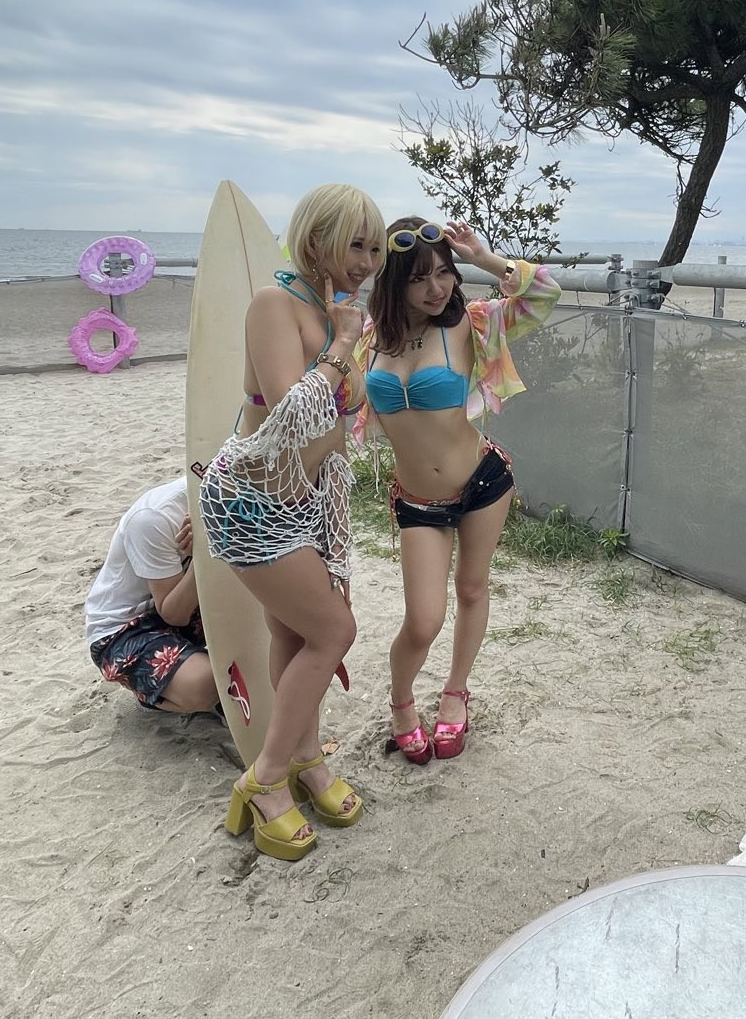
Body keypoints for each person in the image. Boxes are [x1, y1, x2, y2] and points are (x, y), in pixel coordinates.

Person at [198, 183, 384, 860]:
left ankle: (307, 757)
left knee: (295, 632)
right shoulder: (273, 305)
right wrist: (343, 343)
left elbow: (346, 412)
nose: (367, 262)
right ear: (315, 240)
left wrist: (350, 341)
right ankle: (266, 777)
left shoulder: (336, 310)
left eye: (374, 249)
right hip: (249, 502)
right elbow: (288, 412)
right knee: (335, 631)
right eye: (355, 245)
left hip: (306, 500)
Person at [353, 219, 559, 763]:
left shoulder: (472, 323)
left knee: (472, 589)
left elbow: (544, 295)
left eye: (444, 273)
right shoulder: (367, 337)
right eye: (419, 278)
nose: (436, 288)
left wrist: (484, 258)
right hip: (420, 501)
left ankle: (455, 691)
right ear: (393, 281)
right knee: (423, 620)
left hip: (483, 481)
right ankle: (401, 703)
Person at [85, 476, 217, 714]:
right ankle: (155, 694)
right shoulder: (155, 517)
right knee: (205, 684)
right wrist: (203, 556)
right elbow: (174, 614)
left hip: (192, 608)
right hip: (123, 629)